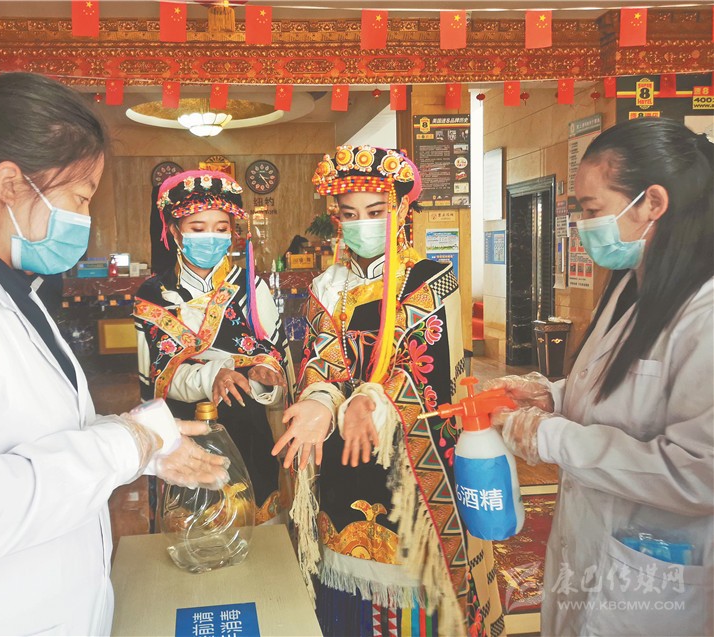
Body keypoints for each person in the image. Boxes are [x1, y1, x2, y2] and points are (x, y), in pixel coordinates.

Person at [0, 73, 229, 636]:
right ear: (10, 184)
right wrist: (124, 444)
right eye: (80, 197)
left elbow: (27, 438)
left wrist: (143, 444)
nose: (84, 217)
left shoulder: (6, 290)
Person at [489, 118, 714, 636]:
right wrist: (552, 396)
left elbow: (700, 474)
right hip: (592, 544)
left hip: (655, 566)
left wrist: (553, 438)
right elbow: (618, 387)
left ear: (652, 203)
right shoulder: (630, 287)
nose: (583, 225)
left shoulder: (703, 311)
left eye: (591, 211)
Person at [274, 146, 504, 637]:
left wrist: (369, 400)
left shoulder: (430, 280)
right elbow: (320, 362)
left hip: (411, 461)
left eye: (375, 211)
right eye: (350, 214)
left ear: (400, 211)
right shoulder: (326, 286)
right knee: (347, 587)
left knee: (415, 593)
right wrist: (318, 400)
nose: (363, 224)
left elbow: (428, 373)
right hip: (341, 453)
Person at [134, 170, 294, 524]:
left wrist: (265, 374)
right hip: (184, 434)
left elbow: (274, 352)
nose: (211, 237)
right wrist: (213, 376)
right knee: (194, 528)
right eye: (197, 227)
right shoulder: (153, 295)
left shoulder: (249, 286)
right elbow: (156, 377)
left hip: (248, 429)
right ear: (175, 231)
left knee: (260, 529)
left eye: (221, 228)